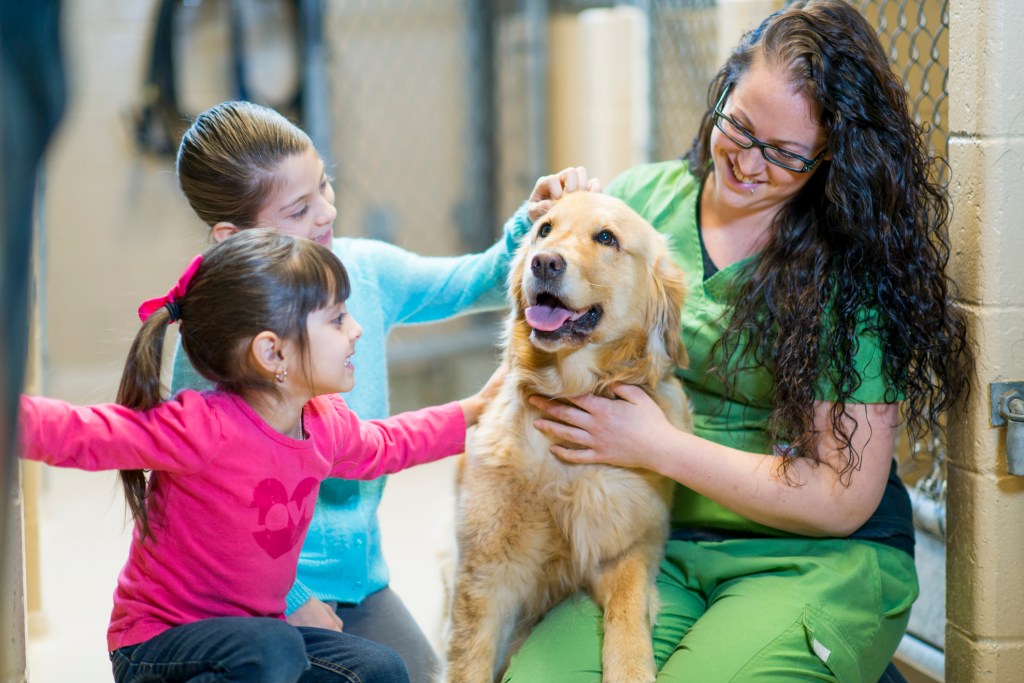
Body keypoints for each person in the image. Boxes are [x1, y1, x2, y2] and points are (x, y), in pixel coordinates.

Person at [506, 1, 973, 681]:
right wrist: (547, 234)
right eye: (740, 127)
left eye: (785, 155)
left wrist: (656, 445)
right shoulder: (641, 206)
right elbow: (540, 344)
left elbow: (841, 497)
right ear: (723, 89)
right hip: (653, 541)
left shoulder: (848, 267)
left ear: (831, 159)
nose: (750, 164)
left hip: (812, 554)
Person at [171, 99, 596, 681]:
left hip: (360, 583)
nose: (326, 213)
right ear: (231, 237)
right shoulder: (213, 340)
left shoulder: (362, 269)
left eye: (325, 185)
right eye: (298, 209)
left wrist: (536, 224)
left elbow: (477, 281)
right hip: (244, 591)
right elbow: (210, 514)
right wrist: (292, 600)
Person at [18, 229, 501, 683]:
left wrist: (474, 412)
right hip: (159, 645)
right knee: (273, 650)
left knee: (381, 669)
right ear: (273, 355)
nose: (355, 331)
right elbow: (84, 433)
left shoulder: (325, 423)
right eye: (336, 319)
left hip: (254, 637)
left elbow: (388, 444)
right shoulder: (203, 428)